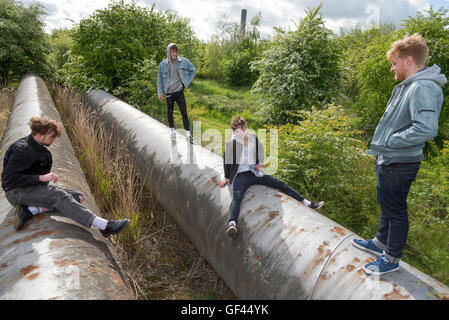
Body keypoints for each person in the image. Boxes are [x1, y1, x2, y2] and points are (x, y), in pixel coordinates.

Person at [352, 34, 447, 275]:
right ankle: (380, 243)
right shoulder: (412, 85)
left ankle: (391, 259)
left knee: (395, 210)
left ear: (408, 60)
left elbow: (426, 128)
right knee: (388, 206)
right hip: (391, 159)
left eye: (394, 63)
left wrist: (390, 141)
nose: (392, 68)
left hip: (399, 161)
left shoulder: (422, 86)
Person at [2, 116, 130, 237]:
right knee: (60, 196)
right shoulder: (22, 150)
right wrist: (41, 178)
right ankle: (104, 226)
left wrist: (41, 181)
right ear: (40, 135)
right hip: (16, 192)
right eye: (52, 137)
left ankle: (31, 210)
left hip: (32, 188)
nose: (53, 140)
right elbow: (9, 180)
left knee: (78, 196)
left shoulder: (38, 147)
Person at [219, 116, 324, 237]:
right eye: (241, 129)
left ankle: (307, 203)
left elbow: (260, 152)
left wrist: (259, 163)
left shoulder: (253, 138)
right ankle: (232, 223)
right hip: (240, 176)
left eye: (245, 127)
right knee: (237, 197)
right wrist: (227, 177)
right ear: (236, 132)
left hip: (254, 173)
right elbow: (226, 162)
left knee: (280, 184)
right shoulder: (232, 144)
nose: (245, 131)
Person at [157, 43, 196, 144]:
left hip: (179, 91)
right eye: (172, 51)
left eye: (175, 51)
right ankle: (173, 132)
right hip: (169, 92)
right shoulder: (162, 64)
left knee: (184, 112)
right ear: (168, 52)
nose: (174, 53)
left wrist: (186, 82)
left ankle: (188, 134)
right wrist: (160, 92)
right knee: (170, 112)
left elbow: (193, 70)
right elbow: (160, 79)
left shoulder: (183, 61)